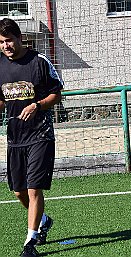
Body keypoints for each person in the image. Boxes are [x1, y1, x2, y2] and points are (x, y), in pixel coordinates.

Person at [0, 18, 63, 257]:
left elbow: (57, 95)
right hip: (15, 137)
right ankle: (43, 220)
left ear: (19, 38)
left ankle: (30, 242)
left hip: (40, 135)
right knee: (19, 191)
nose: (5, 46)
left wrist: (37, 105)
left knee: (34, 189)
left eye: (9, 40)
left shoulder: (39, 61)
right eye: (1, 42)